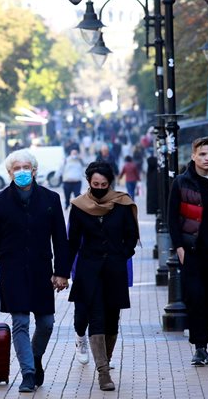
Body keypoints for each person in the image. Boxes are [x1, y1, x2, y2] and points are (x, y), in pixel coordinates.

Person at [0, 149, 70, 393]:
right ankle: (28, 373)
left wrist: (62, 272)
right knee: (20, 322)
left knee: (47, 323)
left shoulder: (50, 199)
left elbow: (61, 239)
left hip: (42, 270)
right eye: (16, 168)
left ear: (34, 170)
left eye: (26, 167)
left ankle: (34, 356)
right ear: (9, 173)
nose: (21, 172)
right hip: (12, 270)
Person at [67, 162, 139, 391]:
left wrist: (121, 255)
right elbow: (72, 242)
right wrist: (61, 272)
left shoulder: (123, 204)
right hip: (89, 271)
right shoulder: (79, 206)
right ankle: (103, 373)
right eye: (95, 184)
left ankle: (104, 361)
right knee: (95, 317)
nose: (99, 188)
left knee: (111, 319)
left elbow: (131, 236)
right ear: (89, 182)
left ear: (110, 183)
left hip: (114, 270)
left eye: (103, 184)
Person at [168, 136, 208, 366]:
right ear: (193, 155)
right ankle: (198, 347)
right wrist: (179, 248)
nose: (207, 158)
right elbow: (172, 219)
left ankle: (204, 344)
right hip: (192, 252)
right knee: (195, 298)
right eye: (202, 154)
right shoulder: (181, 183)